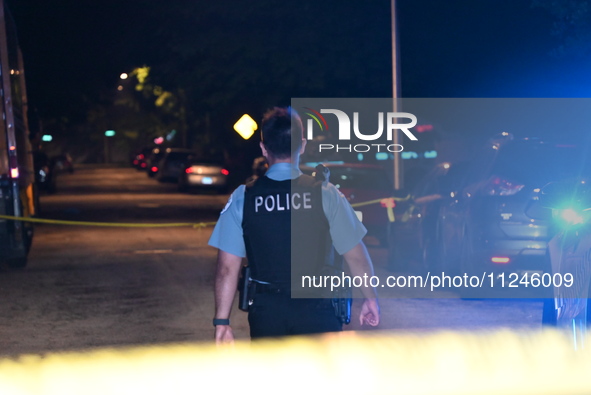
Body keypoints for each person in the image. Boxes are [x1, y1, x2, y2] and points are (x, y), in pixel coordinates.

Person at [209, 107, 380, 344]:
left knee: (276, 380)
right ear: (302, 145)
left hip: (267, 313)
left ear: (263, 147)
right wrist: (370, 298)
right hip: (318, 311)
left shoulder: (243, 197)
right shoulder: (326, 193)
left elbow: (227, 268)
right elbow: (356, 255)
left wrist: (222, 322)